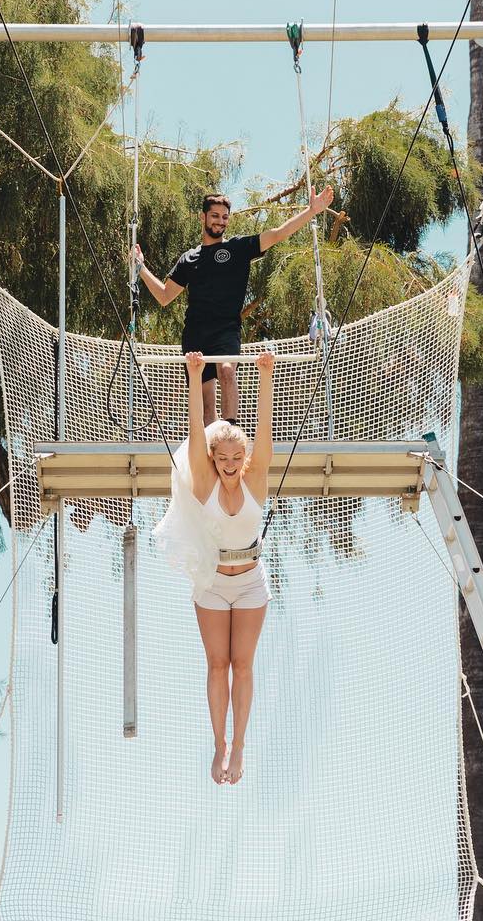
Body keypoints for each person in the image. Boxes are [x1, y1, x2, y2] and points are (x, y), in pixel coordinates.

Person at [154, 349, 275, 785]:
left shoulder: (255, 480)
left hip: (249, 584)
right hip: (212, 581)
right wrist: (195, 376)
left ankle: (239, 747)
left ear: (243, 459)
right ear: (210, 459)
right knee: (216, 663)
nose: (227, 465)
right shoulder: (204, 483)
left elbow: (263, 432)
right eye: (219, 457)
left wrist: (265, 376)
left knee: (242, 665)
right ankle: (218, 745)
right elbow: (193, 429)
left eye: (233, 458)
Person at [132, 186, 333, 425]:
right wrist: (141, 268)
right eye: (215, 216)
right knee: (207, 405)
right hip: (195, 334)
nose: (220, 222)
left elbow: (277, 234)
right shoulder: (189, 259)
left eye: (224, 217)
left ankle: (230, 432)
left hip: (226, 330)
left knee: (227, 370)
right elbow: (165, 296)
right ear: (203, 217)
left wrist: (312, 211)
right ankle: (212, 451)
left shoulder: (237, 248)